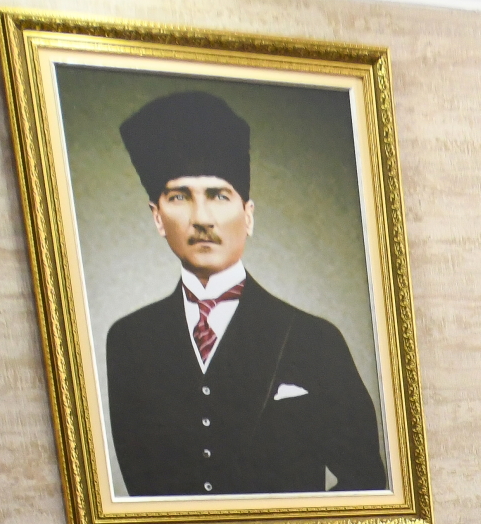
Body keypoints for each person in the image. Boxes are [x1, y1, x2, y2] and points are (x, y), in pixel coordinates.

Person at [103, 88, 388, 498]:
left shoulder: (314, 339)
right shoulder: (129, 341)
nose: (202, 218)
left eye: (219, 195)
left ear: (248, 216)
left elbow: (366, 481)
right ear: (158, 217)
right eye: (179, 196)